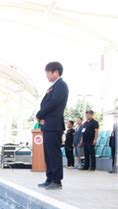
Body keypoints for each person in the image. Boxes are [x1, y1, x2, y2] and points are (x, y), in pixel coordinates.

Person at [36, 61, 69, 190]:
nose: (47, 76)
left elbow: (53, 103)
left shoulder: (61, 85)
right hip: (48, 124)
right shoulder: (54, 86)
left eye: (48, 73)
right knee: (48, 153)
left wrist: (39, 114)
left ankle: (56, 180)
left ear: (55, 72)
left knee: (54, 153)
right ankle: (49, 178)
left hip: (54, 124)